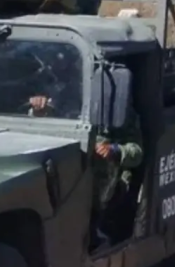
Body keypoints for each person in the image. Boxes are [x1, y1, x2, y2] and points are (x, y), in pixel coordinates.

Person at [29, 93, 143, 250]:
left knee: (100, 159)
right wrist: (38, 112)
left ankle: (94, 231)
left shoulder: (118, 109)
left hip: (107, 176)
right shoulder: (65, 95)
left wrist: (115, 150)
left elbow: (136, 152)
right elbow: (47, 129)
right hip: (70, 163)